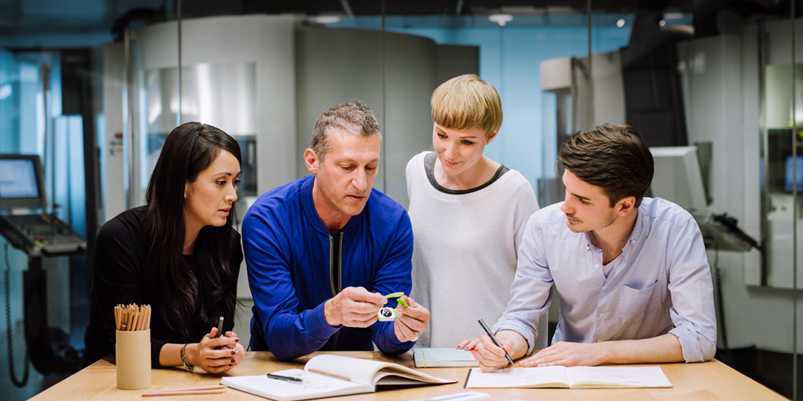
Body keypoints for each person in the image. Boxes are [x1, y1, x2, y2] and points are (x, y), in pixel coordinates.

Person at [469, 123, 717, 369]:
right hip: (569, 376)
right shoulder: (544, 227)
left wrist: (599, 353)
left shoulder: (675, 228)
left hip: (654, 375)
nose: (566, 206)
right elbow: (522, 315)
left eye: (582, 199)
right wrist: (504, 344)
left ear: (624, 206)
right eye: (567, 190)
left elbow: (700, 336)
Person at [242, 101, 430, 360]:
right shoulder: (268, 220)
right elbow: (278, 334)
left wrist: (400, 331)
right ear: (312, 161)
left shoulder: (392, 222)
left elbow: (384, 319)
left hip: (354, 369)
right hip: (276, 369)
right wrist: (330, 314)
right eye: (347, 167)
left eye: (371, 167)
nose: (361, 183)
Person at [85, 122, 245, 374]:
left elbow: (218, 328)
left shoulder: (227, 244)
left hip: (188, 382)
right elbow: (116, 342)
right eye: (220, 182)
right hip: (116, 379)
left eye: (235, 182)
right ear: (183, 184)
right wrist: (190, 353)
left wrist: (224, 347)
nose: (232, 195)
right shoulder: (121, 238)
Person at [407, 74, 538, 347]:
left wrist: (511, 344)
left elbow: (534, 285)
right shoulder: (417, 171)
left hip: (489, 351)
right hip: (422, 350)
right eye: (442, 134)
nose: (450, 152)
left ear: (491, 136)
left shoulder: (514, 191)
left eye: (467, 142)